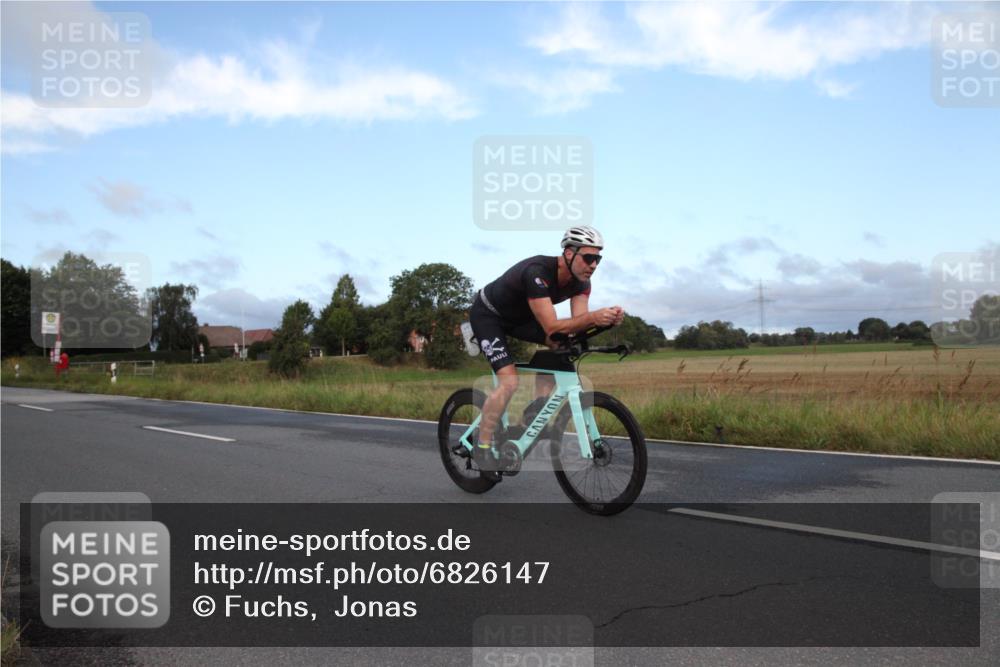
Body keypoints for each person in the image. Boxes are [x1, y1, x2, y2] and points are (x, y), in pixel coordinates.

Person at [469, 225, 624, 476]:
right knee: (509, 381)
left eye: (598, 259)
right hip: (489, 314)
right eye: (589, 257)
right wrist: (594, 318)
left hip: (521, 318)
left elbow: (578, 325)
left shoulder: (582, 283)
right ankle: (482, 446)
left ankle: (533, 412)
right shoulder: (537, 273)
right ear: (569, 253)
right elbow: (551, 325)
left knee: (562, 345)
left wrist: (603, 322)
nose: (594, 264)